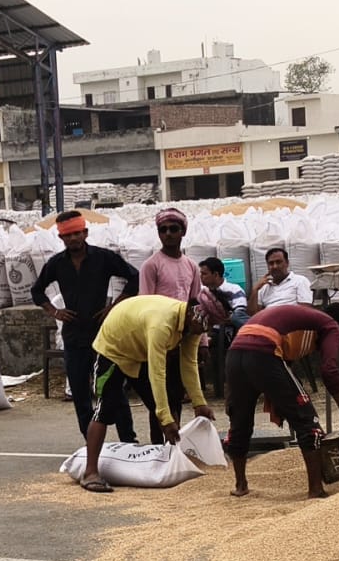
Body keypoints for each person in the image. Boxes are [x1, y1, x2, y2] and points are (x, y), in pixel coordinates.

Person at [78, 292, 227, 493]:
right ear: (195, 315)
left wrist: (199, 403)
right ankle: (90, 472)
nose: (205, 331)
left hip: (139, 351)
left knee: (168, 402)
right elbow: (157, 373)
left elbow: (189, 364)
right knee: (105, 409)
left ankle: (169, 463)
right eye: (205, 326)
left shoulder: (192, 327)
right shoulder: (162, 324)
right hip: (114, 349)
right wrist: (165, 419)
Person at [225, 302, 339, 500]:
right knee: (308, 423)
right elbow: (330, 370)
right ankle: (316, 490)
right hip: (263, 351)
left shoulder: (304, 319)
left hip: (235, 352)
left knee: (239, 421)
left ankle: (241, 485)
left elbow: (282, 371)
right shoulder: (330, 325)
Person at [30, 210, 141, 442]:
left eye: (77, 233)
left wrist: (114, 308)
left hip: (103, 335)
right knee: (81, 393)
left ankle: (128, 441)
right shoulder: (57, 264)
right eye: (68, 235)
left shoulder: (103, 258)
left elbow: (134, 278)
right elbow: (36, 290)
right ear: (61, 238)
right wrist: (55, 312)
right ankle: (91, 443)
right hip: (74, 337)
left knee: (112, 388)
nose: (73, 239)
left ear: (85, 233)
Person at [139, 208, 203, 436]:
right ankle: (159, 449)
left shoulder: (191, 266)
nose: (168, 234)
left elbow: (195, 304)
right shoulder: (151, 265)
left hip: (182, 338)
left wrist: (201, 341)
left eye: (173, 229)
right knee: (159, 397)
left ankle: (173, 446)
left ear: (182, 232)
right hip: (157, 338)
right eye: (163, 230)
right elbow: (145, 306)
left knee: (176, 395)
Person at [247, 247, 312, 312]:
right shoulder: (264, 287)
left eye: (278, 262)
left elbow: (305, 310)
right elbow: (252, 314)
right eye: (271, 263)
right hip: (268, 320)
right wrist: (255, 290)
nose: (275, 266)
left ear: (287, 263)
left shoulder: (300, 281)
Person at [199, 257, 248, 331]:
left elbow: (239, 315)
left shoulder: (234, 290)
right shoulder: (201, 292)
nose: (201, 276)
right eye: (201, 273)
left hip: (228, 331)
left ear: (215, 275)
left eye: (204, 274)